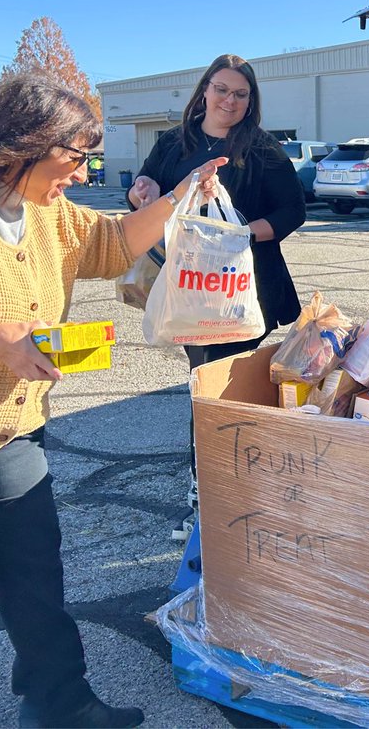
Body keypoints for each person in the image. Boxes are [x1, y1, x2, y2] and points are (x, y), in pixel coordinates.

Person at [0, 76, 227, 728]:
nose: (83, 174)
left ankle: (60, 702)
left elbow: (115, 243)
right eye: (77, 156)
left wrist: (179, 197)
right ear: (25, 144)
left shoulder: (47, 210)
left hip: (13, 427)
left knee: (36, 573)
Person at [127, 54, 306, 528]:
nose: (230, 100)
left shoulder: (262, 149)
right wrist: (140, 192)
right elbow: (145, 191)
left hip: (244, 288)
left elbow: (292, 212)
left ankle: (222, 493)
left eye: (241, 94)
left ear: (251, 101)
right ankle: (209, 493)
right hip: (191, 289)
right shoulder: (173, 142)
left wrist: (241, 234)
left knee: (224, 388)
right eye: (222, 89)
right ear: (205, 90)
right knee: (206, 385)